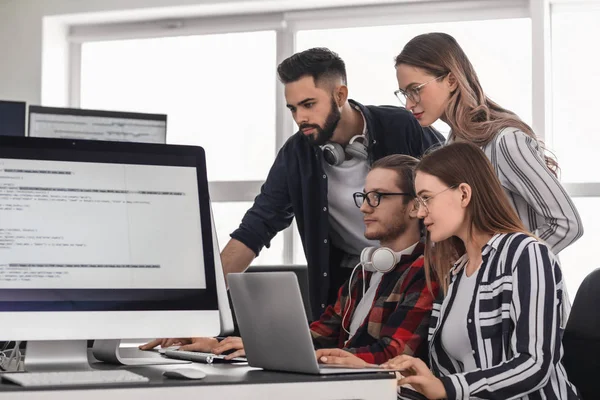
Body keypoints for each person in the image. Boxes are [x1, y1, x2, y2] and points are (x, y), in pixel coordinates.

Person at [317, 142, 580, 400]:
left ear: (464, 194)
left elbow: (535, 364)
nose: (420, 212)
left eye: (427, 199)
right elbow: (444, 383)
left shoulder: (526, 252)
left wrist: (447, 388)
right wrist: (372, 373)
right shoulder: (455, 272)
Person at [142, 155, 439, 365]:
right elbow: (319, 335)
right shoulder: (367, 269)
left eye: (378, 197)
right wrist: (231, 345)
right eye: (363, 196)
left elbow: (392, 356)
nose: (364, 208)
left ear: (414, 207)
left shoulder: (425, 270)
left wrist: (311, 356)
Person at [223, 47, 444, 319]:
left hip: (421, 276)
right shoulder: (297, 154)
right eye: (293, 109)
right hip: (351, 287)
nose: (300, 118)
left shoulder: (402, 126)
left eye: (308, 104)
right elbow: (255, 228)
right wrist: (203, 301)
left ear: (340, 95)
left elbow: (451, 188)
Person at [394, 32, 582, 255]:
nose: (408, 104)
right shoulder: (448, 150)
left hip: (522, 288)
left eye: (415, 90)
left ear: (451, 80)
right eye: (404, 93)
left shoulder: (506, 142)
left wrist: (504, 267)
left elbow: (567, 224)